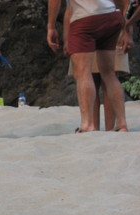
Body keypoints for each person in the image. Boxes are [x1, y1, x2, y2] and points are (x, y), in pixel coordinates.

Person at [47, 0, 131, 132]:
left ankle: (87, 124)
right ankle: (122, 124)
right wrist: (123, 21)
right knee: (109, 73)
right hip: (111, 15)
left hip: (85, 18)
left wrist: (51, 26)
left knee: (83, 73)